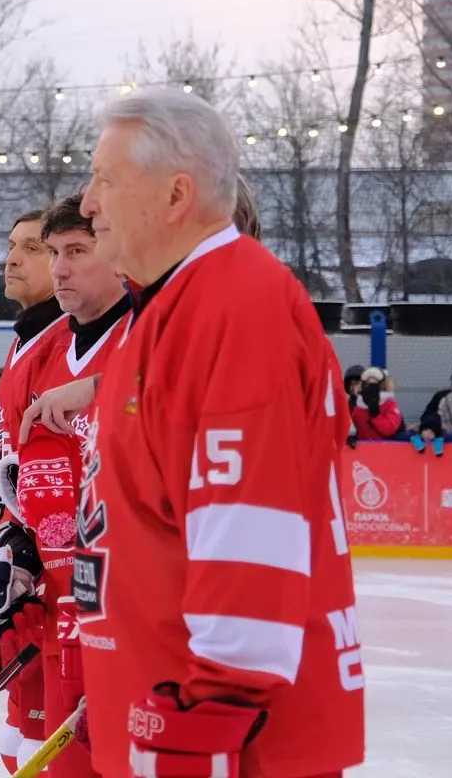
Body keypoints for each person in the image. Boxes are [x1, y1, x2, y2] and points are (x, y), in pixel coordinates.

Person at [61, 89, 365, 778]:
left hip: (226, 738)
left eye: (105, 179)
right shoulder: (171, 306)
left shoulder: (236, 306)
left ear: (174, 195)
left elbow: (250, 517)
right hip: (157, 704)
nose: (88, 201)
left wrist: (210, 713)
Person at [0, 208, 65, 769]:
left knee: (41, 740)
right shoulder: (25, 338)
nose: (12, 258)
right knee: (20, 732)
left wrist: (21, 543)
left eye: (31, 248)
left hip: (37, 580)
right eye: (12, 246)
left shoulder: (59, 340)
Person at [348, 367, 405, 441]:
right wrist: (350, 437)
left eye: (375, 384)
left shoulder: (389, 404)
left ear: (382, 385)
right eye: (368, 384)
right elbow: (351, 427)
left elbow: (390, 430)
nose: (371, 388)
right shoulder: (358, 405)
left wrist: (376, 415)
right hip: (362, 449)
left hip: (385, 448)